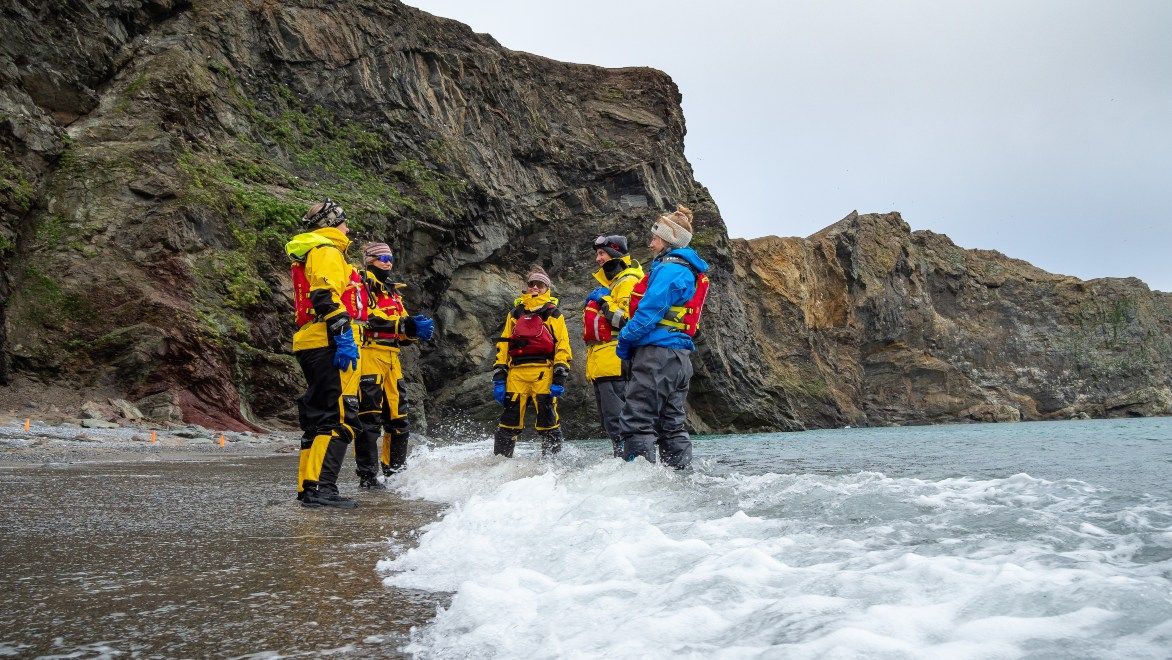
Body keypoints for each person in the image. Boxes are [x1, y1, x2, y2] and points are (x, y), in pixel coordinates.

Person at [615, 205, 710, 469]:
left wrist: (624, 341)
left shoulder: (670, 270)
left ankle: (638, 486)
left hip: (657, 354)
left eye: (655, 237)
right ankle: (679, 482)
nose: (651, 242)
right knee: (671, 424)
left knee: (638, 420)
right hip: (678, 358)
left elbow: (649, 312)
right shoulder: (686, 269)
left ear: (669, 239)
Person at [285, 199, 363, 508]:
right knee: (340, 415)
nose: (348, 228)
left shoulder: (311, 252)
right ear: (331, 224)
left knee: (318, 418)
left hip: (311, 341)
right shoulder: (328, 250)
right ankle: (322, 488)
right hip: (328, 340)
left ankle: (309, 487)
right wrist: (343, 335)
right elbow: (325, 296)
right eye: (344, 221)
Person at [354, 241, 434, 488]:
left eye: (390, 258)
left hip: (392, 359)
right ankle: (367, 476)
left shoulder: (393, 293)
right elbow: (365, 319)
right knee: (369, 420)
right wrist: (403, 326)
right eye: (382, 258)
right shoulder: (361, 285)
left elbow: (402, 331)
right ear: (369, 260)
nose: (388, 263)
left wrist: (414, 330)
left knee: (399, 419)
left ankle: (395, 473)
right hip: (368, 355)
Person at [491, 266, 572, 458]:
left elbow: (563, 344)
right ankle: (500, 465)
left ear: (547, 288)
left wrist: (560, 375)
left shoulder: (553, 313)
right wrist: (499, 376)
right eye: (532, 284)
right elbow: (503, 346)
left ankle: (552, 467)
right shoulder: (515, 313)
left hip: (543, 372)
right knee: (508, 423)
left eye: (540, 285)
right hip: (516, 374)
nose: (535, 288)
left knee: (548, 422)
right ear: (527, 287)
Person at [583, 235, 644, 457]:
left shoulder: (627, 281)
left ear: (615, 253)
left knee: (619, 419)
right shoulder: (614, 283)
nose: (598, 258)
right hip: (604, 361)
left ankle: (629, 463)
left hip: (615, 361)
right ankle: (623, 463)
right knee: (611, 420)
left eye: (602, 253)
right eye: (597, 254)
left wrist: (603, 301)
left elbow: (626, 320)